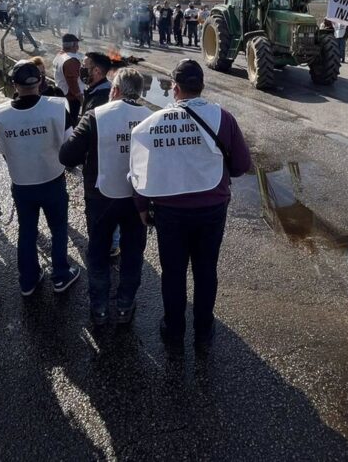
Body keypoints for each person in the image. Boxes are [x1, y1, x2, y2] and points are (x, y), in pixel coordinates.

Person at [129, 60, 251, 355]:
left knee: (173, 273)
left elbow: (140, 172)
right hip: (212, 208)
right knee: (206, 270)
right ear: (202, 86)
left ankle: (173, 333)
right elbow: (241, 165)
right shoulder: (223, 117)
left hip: (170, 212)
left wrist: (142, 207)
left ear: (175, 88)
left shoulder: (151, 124)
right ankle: (204, 332)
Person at [59, 68, 151, 324]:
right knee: (133, 253)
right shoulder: (151, 117)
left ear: (116, 90)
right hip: (138, 198)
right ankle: (124, 306)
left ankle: (99, 308)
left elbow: (67, 156)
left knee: (98, 252)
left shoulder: (95, 116)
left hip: (101, 197)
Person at [0, 62, 79, 296]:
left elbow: (2, 149)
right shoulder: (57, 107)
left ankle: (27, 280)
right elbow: (69, 145)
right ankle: (60, 274)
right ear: (41, 81)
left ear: (13, 84)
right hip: (52, 178)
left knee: (27, 230)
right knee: (58, 228)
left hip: (22, 181)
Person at [52, 34, 84, 123]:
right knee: (71, 121)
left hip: (61, 93)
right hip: (71, 98)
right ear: (73, 45)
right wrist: (81, 98)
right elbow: (72, 82)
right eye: (76, 44)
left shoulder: (59, 56)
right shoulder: (71, 61)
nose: (78, 47)